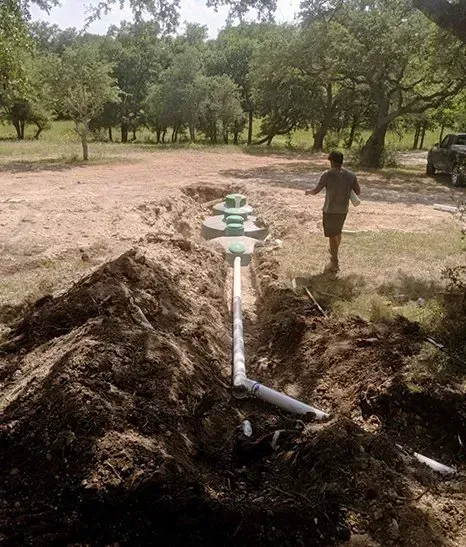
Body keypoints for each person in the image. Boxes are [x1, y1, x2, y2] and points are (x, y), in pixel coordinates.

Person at [305, 151, 361, 273]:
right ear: (341, 161)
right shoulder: (351, 175)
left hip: (330, 210)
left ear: (331, 161)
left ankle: (334, 262)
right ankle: (334, 252)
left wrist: (308, 192)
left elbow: (316, 191)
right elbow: (358, 191)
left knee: (331, 236)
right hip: (343, 210)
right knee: (337, 233)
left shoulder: (327, 174)